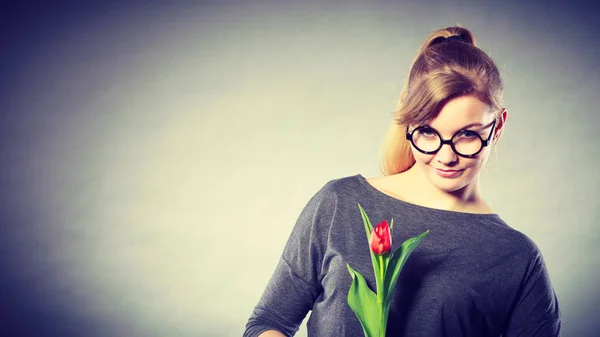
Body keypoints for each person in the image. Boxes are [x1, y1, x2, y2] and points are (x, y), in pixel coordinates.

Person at [243, 26, 561, 337]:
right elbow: (267, 322)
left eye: (467, 135)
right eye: (427, 132)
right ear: (409, 123)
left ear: (498, 125)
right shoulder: (340, 203)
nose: (445, 156)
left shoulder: (516, 257)